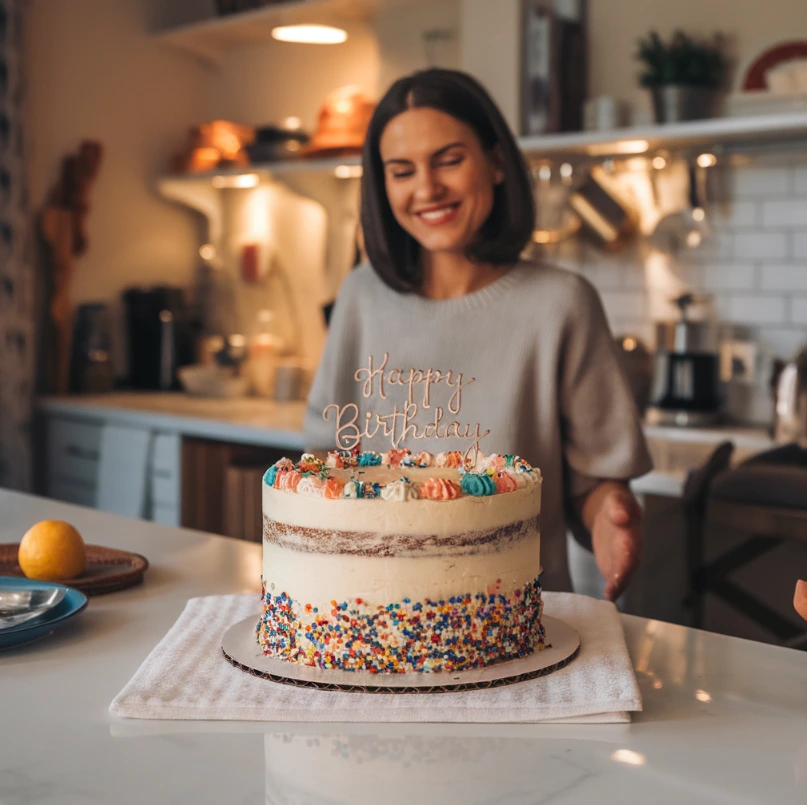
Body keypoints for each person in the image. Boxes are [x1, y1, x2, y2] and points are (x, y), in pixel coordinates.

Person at [304, 68, 653, 600]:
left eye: (449, 160)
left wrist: (612, 513)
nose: (427, 188)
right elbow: (323, 467)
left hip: (514, 624)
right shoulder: (359, 297)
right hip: (367, 615)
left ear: (494, 162)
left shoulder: (560, 303)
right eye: (401, 171)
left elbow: (595, 486)